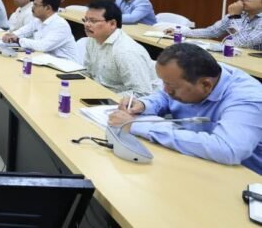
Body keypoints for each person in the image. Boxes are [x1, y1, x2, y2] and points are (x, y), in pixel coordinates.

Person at [109, 43, 262, 174]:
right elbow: (164, 97)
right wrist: (143, 105)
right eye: (164, 83)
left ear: (206, 85)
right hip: (191, 158)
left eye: (172, 86)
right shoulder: (195, 76)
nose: (166, 90)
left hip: (241, 176)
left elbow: (228, 149)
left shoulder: (247, 98)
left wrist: (136, 125)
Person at [83, 0, 158, 96]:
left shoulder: (125, 51)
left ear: (112, 24)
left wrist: (106, 99)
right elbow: (89, 73)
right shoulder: (92, 39)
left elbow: (142, 92)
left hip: (121, 101)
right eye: (85, 20)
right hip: (99, 94)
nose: (86, 24)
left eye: (93, 21)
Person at [166, 0, 262, 50]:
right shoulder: (239, 13)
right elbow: (212, 31)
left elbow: (243, 43)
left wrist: (235, 16)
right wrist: (181, 32)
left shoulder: (236, 14)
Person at [2, 0, 77, 61]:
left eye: (36, 5)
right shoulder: (38, 20)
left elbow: (43, 46)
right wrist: (12, 35)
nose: (32, 7)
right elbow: (24, 31)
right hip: (45, 60)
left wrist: (18, 40)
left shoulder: (60, 25)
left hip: (65, 65)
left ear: (48, 8)